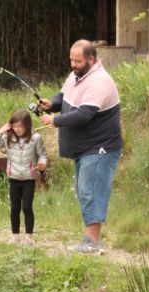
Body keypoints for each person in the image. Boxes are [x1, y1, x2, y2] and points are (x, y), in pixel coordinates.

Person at [40, 39, 123, 254]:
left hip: (100, 146)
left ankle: (93, 243)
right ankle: (90, 239)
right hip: (85, 147)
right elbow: (63, 97)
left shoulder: (100, 81)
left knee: (90, 190)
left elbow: (84, 114)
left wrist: (54, 120)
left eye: (77, 61)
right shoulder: (76, 75)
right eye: (71, 60)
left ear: (91, 59)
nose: (73, 64)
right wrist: (51, 104)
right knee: (83, 190)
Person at [0, 110, 48, 246]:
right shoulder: (8, 137)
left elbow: (43, 155)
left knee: (27, 207)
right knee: (14, 208)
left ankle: (29, 238)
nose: (17, 129)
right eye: (14, 126)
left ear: (27, 125)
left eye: (20, 126)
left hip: (29, 178)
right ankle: (15, 236)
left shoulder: (36, 138)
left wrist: (42, 164)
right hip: (14, 177)